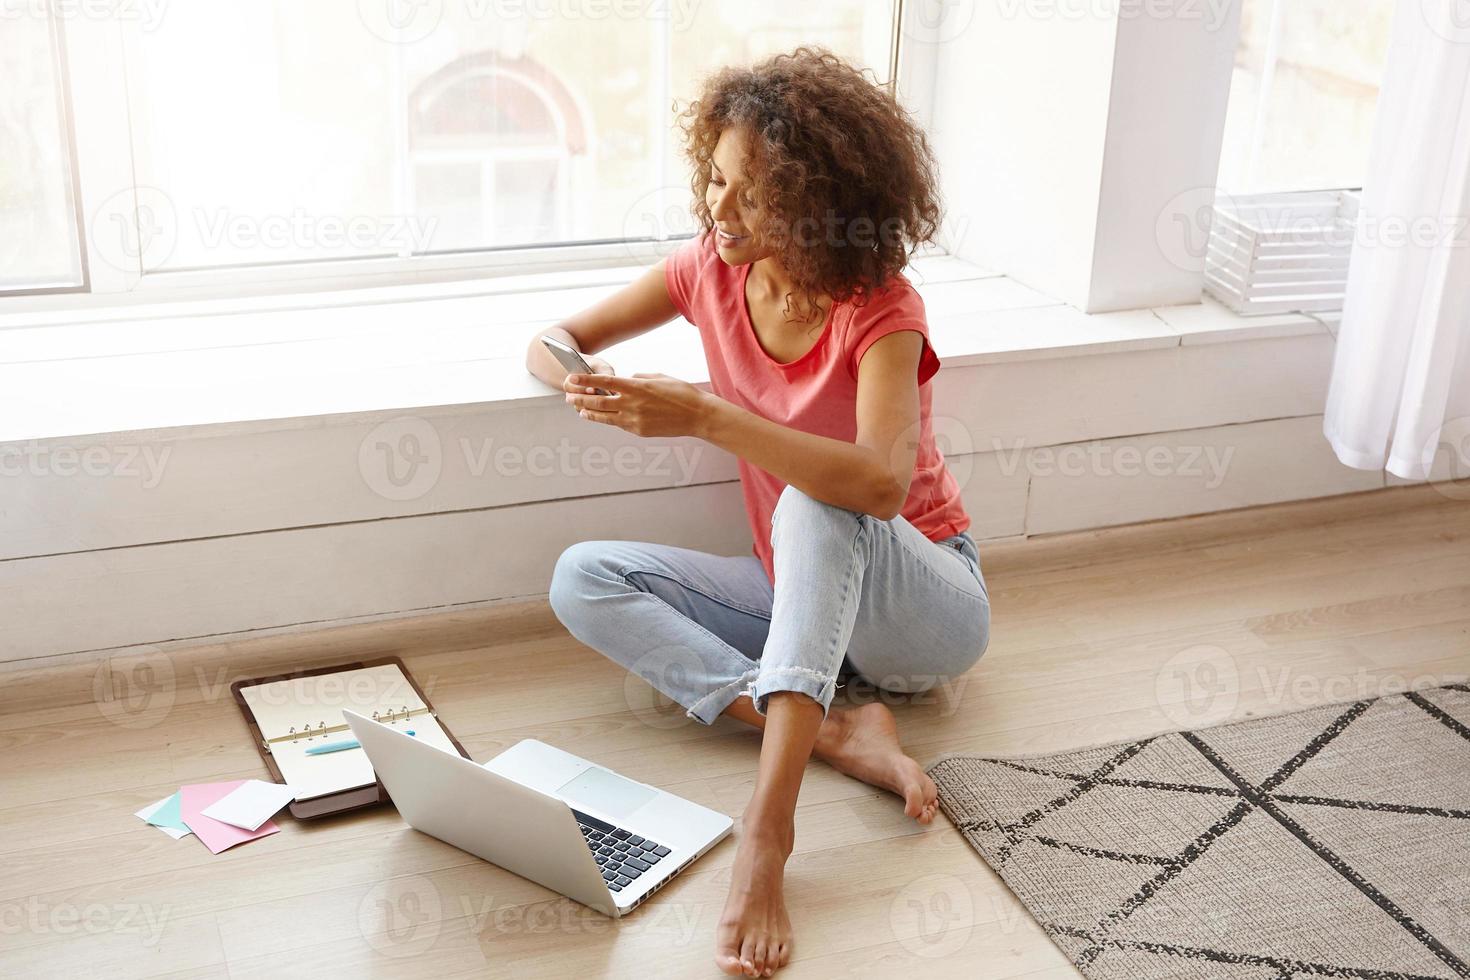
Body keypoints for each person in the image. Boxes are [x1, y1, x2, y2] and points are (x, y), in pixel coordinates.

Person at [524, 46, 990, 978]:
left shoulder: (883, 313)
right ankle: (837, 731)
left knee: (822, 503)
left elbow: (878, 487)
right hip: (794, 597)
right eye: (717, 181)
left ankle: (768, 832)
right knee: (584, 576)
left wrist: (700, 413)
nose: (719, 211)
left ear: (817, 202)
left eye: (749, 195)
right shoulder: (711, 269)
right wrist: (589, 384)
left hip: (923, 607)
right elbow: (553, 339)